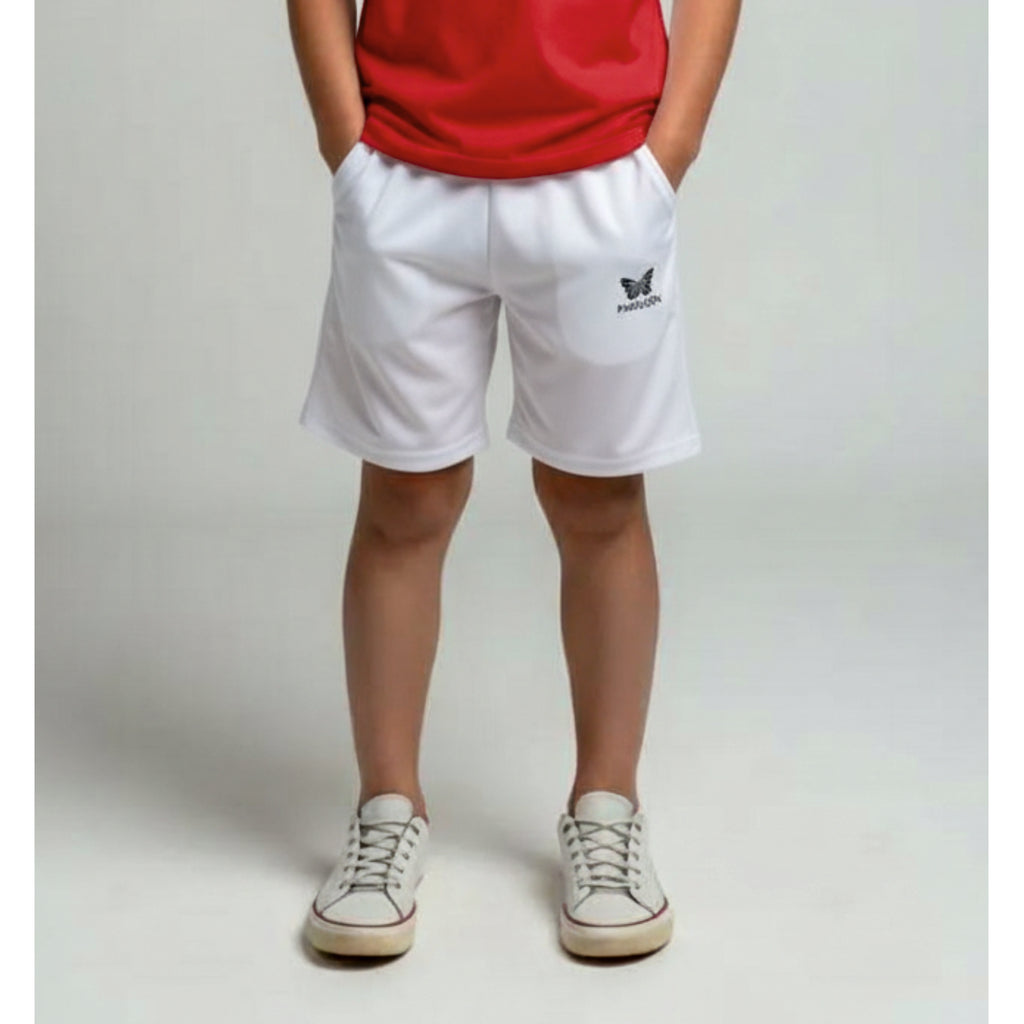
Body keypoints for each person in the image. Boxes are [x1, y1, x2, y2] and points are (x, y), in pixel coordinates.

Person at [287, 0, 741, 959]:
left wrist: (672, 148)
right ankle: (385, 810)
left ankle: (608, 808)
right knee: (404, 499)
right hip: (404, 168)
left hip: (603, 173)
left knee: (599, 501)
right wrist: (345, 142)